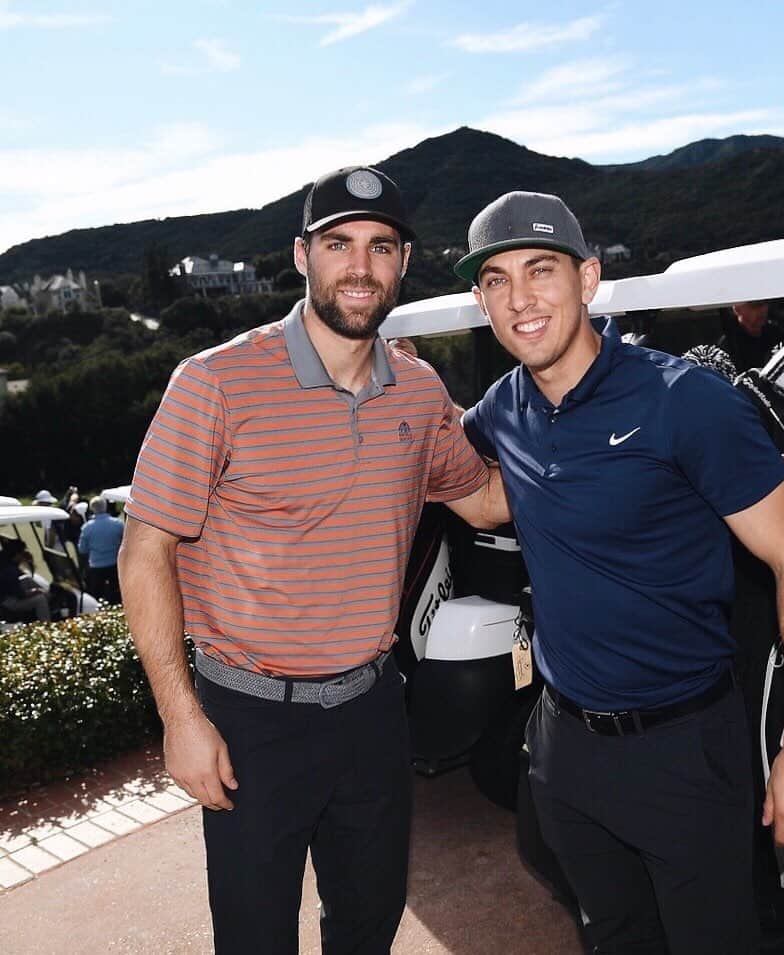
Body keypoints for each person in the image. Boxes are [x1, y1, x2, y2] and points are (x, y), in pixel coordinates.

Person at [118, 165, 508, 955]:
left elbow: (486, 501)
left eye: (380, 246)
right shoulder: (215, 383)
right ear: (302, 256)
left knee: (368, 925)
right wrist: (181, 718)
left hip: (372, 711)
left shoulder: (419, 390)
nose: (359, 266)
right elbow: (144, 551)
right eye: (339, 244)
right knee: (256, 937)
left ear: (402, 261)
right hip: (251, 719)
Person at [454, 191, 784, 954]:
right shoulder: (502, 407)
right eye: (496, 280)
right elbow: (483, 496)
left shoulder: (685, 402)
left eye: (540, 270)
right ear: (480, 300)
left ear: (588, 278)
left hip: (683, 751)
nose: (519, 298)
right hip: (565, 745)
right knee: (611, 936)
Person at [77, 496, 124, 603]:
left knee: (96, 596)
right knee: (117, 594)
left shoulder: (87, 527)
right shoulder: (118, 524)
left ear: (92, 509)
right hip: (114, 563)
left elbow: (82, 549)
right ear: (106, 507)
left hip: (96, 566)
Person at [0, 537, 51, 622]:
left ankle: (49, 596)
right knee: (40, 599)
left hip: (8, 594)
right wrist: (36, 591)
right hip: (7, 601)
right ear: (17, 555)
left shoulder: (6, 561)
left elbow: (22, 576)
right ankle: (46, 625)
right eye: (22, 553)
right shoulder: (9, 570)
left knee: (27, 580)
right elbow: (20, 594)